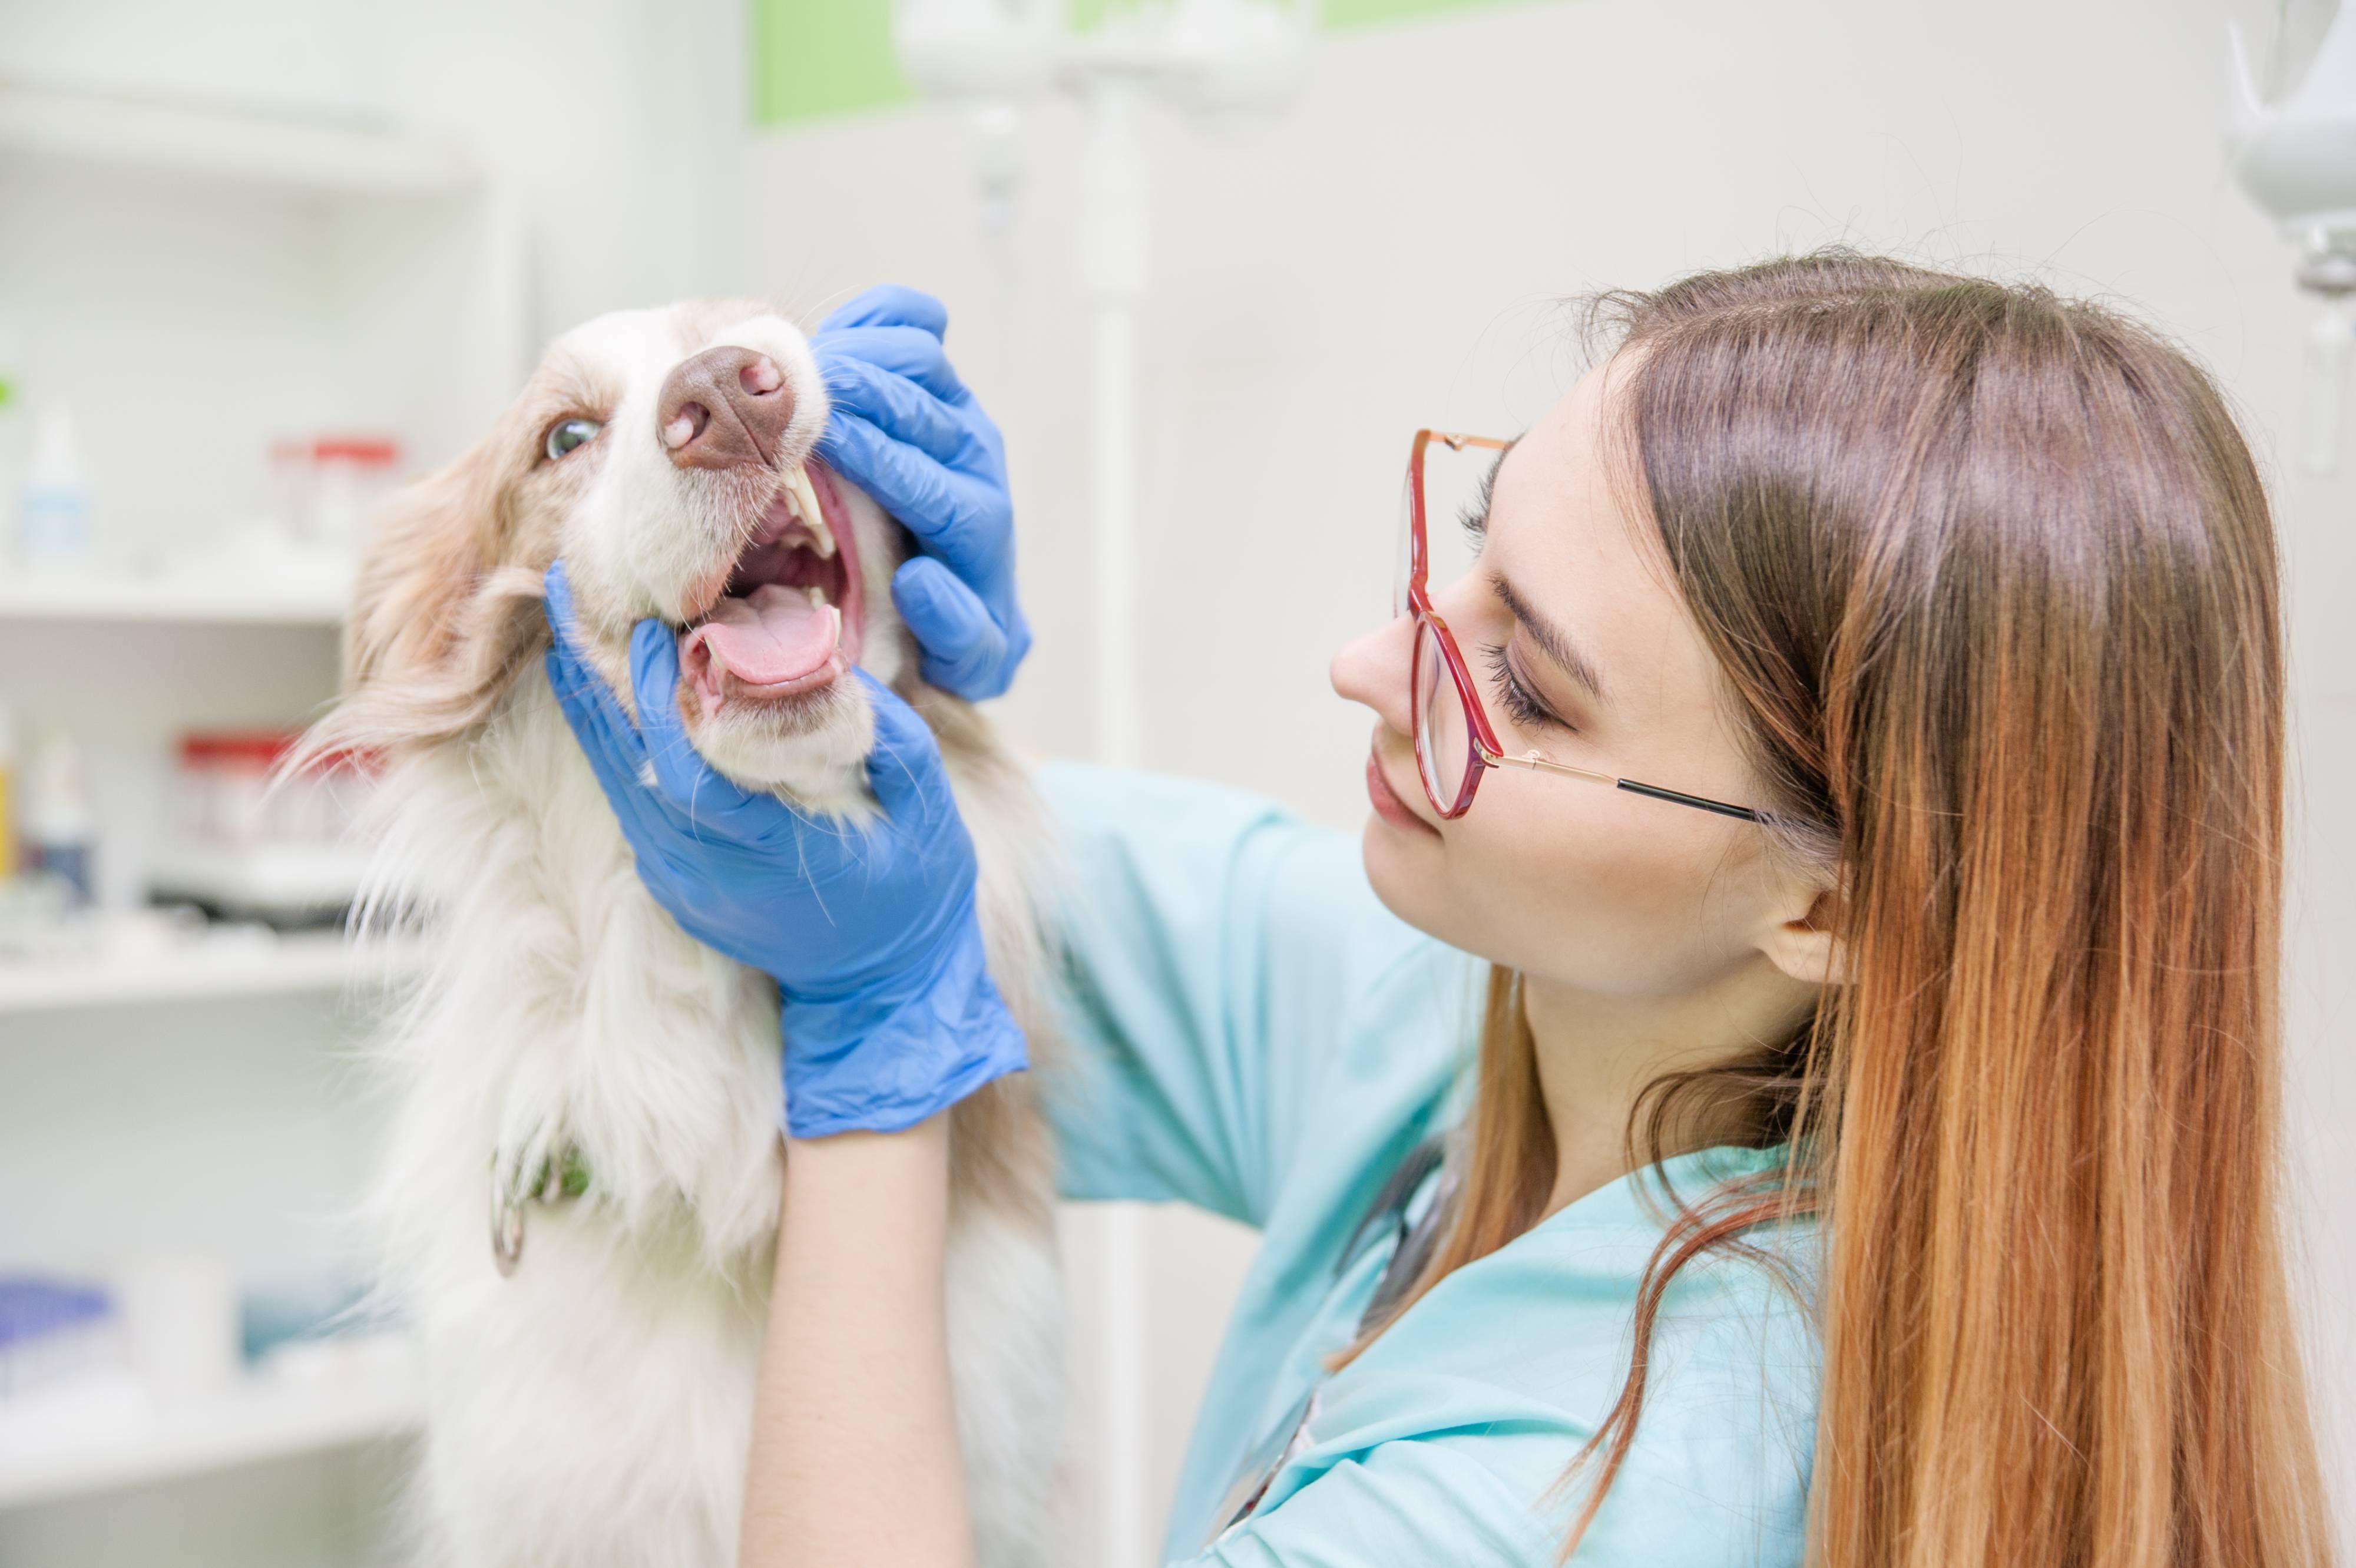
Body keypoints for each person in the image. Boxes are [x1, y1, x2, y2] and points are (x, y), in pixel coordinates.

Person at [540, 253, 2337, 1567]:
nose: (1366, 665)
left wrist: (875, 1044)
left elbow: (893, 961)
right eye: (1465, 543)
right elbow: (926, 892)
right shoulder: (1502, 1033)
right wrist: (865, 666)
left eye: (1530, 692)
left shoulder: (1595, 1500)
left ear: (1827, 903)